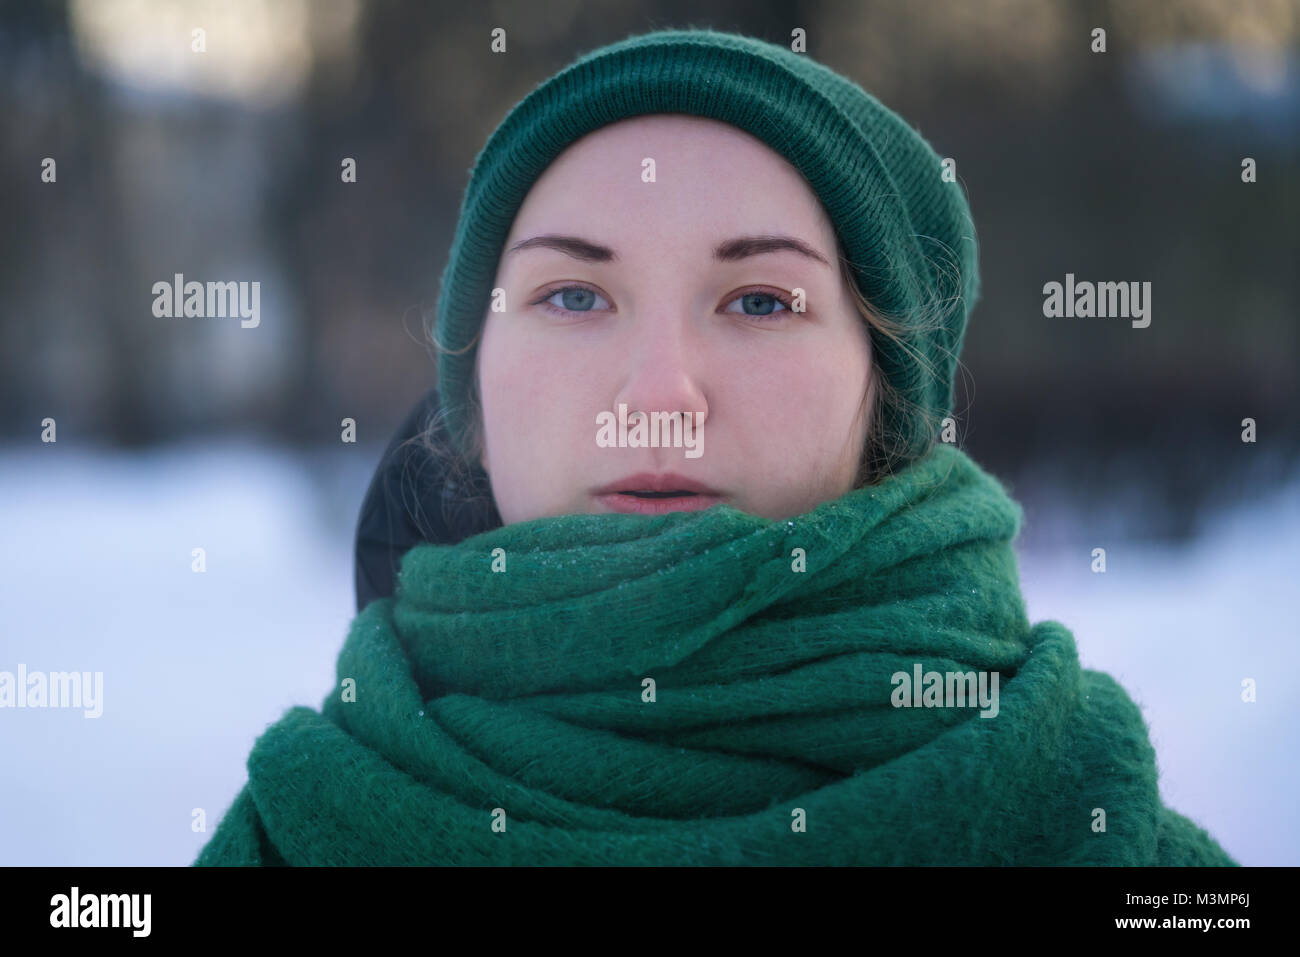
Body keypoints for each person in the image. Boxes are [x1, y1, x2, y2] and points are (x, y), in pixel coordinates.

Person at [195, 27, 1236, 866]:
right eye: (570, 295)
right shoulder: (294, 835)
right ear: (472, 382)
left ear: (886, 389)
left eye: (758, 300)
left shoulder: (1103, 843)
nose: (658, 395)